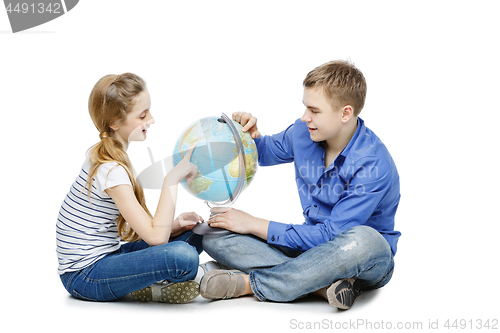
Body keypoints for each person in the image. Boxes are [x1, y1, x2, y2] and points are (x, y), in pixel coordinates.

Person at [200, 60, 401, 310]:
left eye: (314, 111)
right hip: (308, 247)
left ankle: (251, 284)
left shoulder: (373, 163)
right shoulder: (302, 132)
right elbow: (262, 153)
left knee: (364, 239)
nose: (305, 117)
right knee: (212, 235)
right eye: (305, 108)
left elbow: (332, 235)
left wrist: (252, 223)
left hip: (359, 255)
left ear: (345, 113)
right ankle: (321, 286)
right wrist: (247, 133)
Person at [56, 73, 205, 303]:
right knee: (183, 257)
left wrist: (173, 227)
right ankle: (150, 286)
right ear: (115, 122)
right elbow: (157, 238)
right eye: (143, 115)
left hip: (106, 256)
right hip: (83, 276)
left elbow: (152, 231)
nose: (152, 119)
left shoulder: (108, 155)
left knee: (196, 234)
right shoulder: (110, 169)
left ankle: (144, 281)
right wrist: (172, 179)